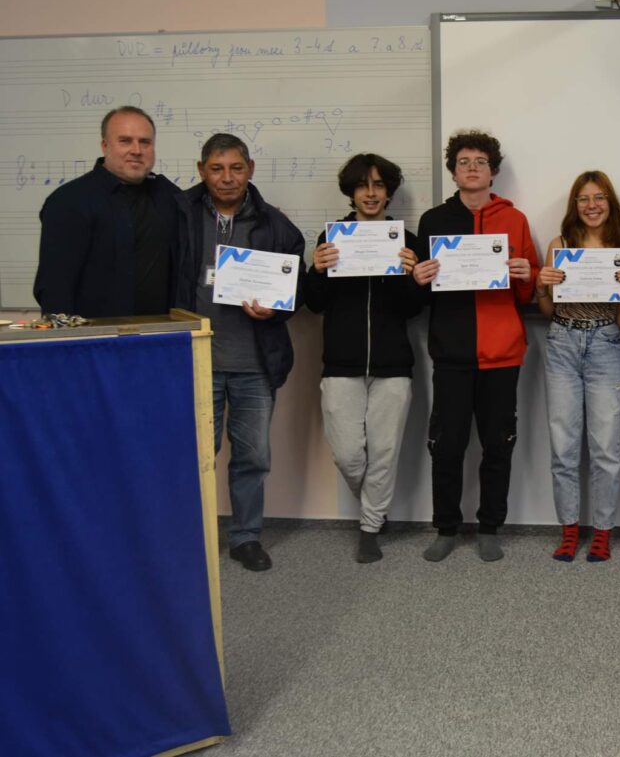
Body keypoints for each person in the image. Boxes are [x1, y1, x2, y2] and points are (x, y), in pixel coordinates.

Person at [173, 133, 305, 572]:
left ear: (250, 169)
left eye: (236, 168)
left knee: (253, 458)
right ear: (201, 170)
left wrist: (276, 309)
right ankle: (191, 538)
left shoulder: (276, 224)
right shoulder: (177, 215)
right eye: (217, 169)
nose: (227, 178)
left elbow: (296, 288)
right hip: (195, 361)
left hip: (254, 364)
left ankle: (246, 537)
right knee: (194, 458)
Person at [411, 130, 539, 563]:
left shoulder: (515, 220)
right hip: (451, 352)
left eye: (480, 162)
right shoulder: (433, 221)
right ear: (453, 171)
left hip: (503, 353)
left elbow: (528, 291)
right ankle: (446, 527)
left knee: (498, 445)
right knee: (447, 445)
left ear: (493, 171)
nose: (472, 168)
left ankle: (489, 527)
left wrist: (527, 275)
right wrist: (419, 280)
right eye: (463, 162)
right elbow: (422, 293)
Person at [304, 153, 422, 564]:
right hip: (341, 363)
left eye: (378, 185)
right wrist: (316, 271)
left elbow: (414, 309)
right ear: (351, 192)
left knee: (385, 452)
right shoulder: (331, 238)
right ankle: (374, 504)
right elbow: (315, 304)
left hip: (393, 365)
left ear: (389, 192)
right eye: (361, 185)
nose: (370, 194)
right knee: (349, 455)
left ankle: (370, 526)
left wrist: (410, 277)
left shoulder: (408, 242)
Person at [535, 171, 620, 563]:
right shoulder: (560, 246)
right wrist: (542, 287)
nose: (592, 205)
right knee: (563, 445)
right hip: (562, 342)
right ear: (574, 205)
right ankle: (568, 530)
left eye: (599, 198)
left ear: (610, 203)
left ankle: (602, 531)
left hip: (606, 345)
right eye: (583, 198)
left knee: (605, 447)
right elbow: (548, 311)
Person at [34, 106, 180, 317]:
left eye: (145, 142)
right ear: (105, 146)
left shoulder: (169, 196)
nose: (137, 150)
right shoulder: (69, 201)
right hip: (96, 335)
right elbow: (55, 287)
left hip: (165, 333)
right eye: (125, 141)